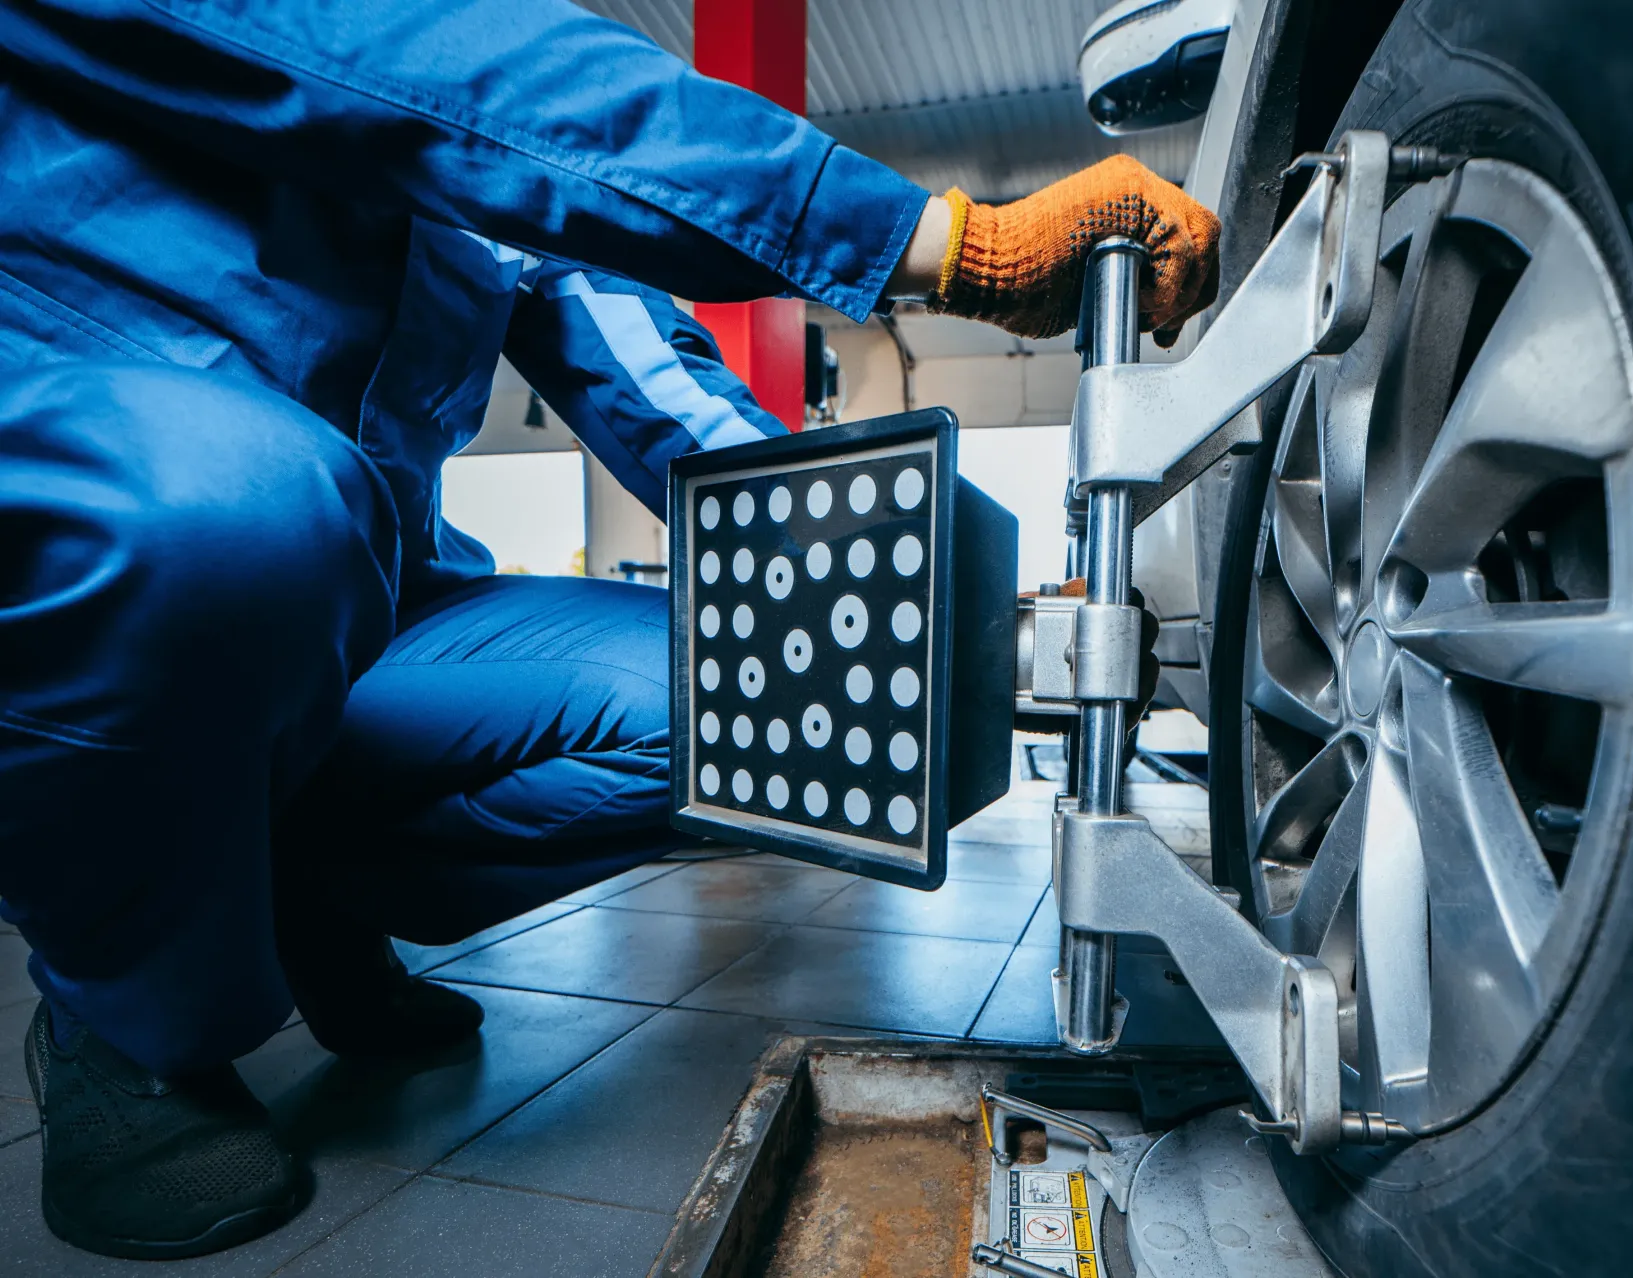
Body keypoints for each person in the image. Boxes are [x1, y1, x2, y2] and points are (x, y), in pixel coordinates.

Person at [0, 0, 1221, 1259]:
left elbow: (654, 381)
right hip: (131, 537)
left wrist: (896, 588)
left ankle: (302, 891)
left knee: (754, 709)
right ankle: (124, 1021)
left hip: (377, 611)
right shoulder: (450, 70)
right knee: (239, 515)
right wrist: (950, 243)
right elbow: (424, 72)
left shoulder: (496, 175)